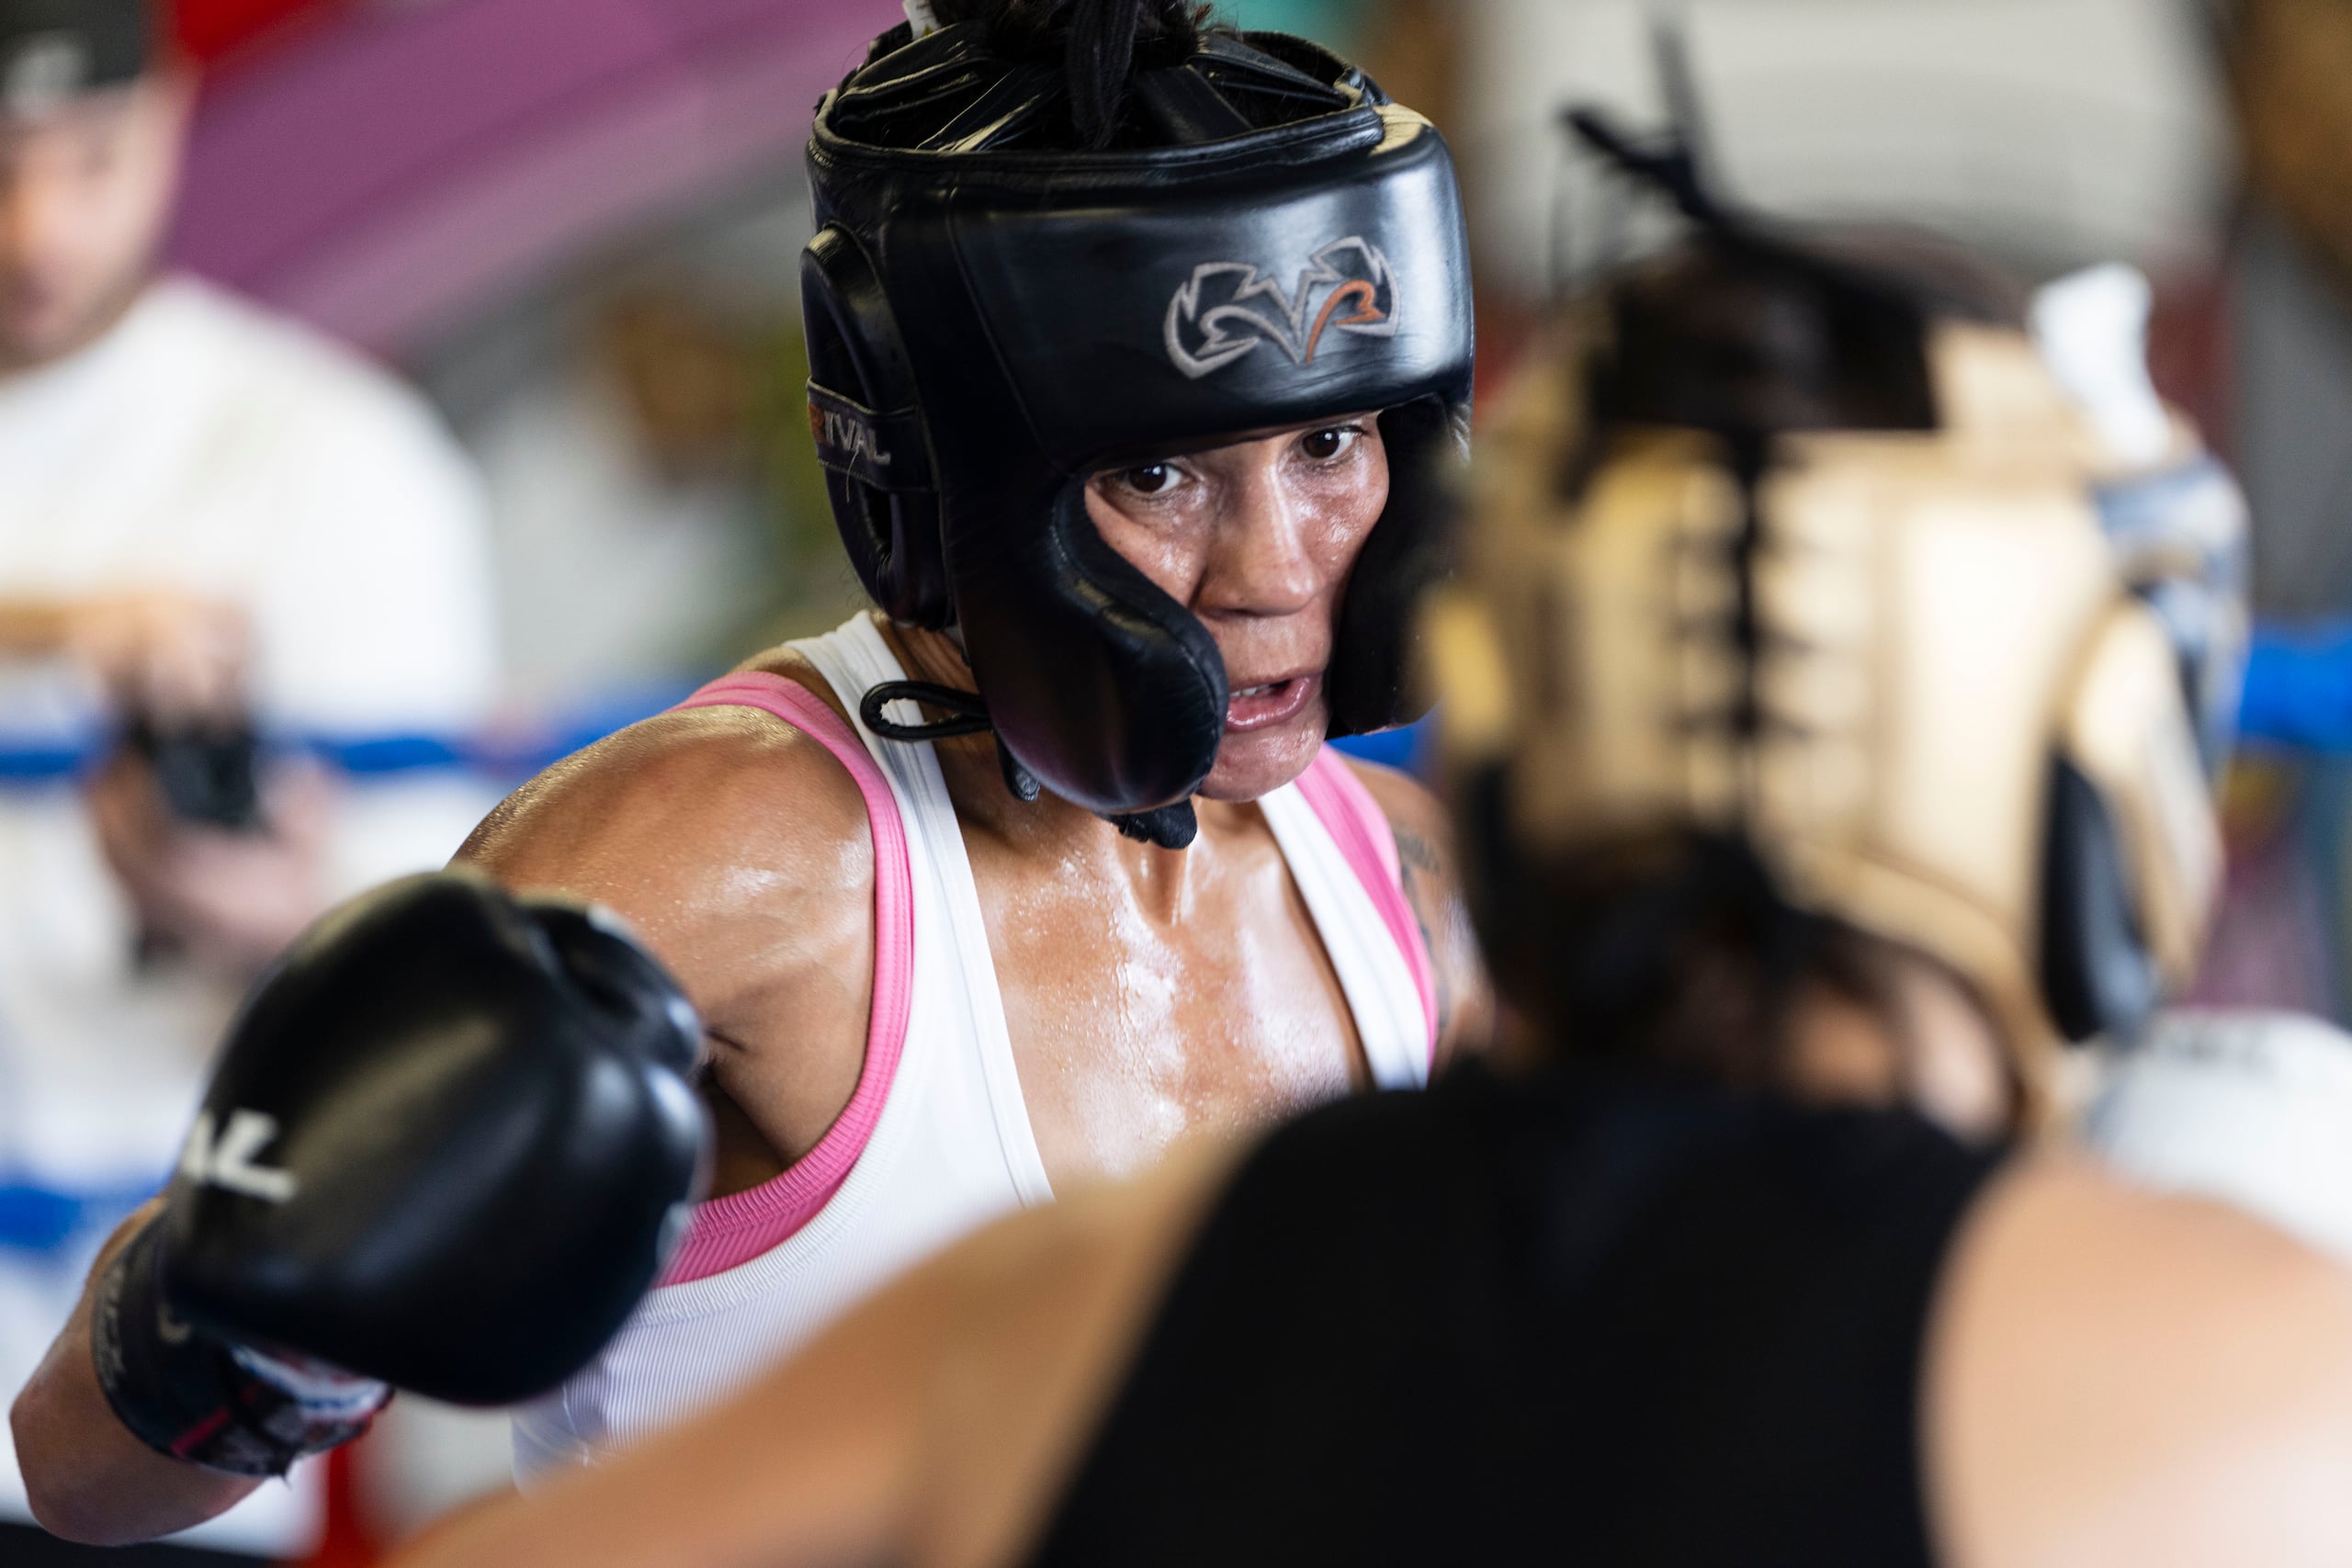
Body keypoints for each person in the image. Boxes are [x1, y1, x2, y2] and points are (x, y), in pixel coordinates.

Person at [370, 207, 2352, 1568]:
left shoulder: (1109, 1284)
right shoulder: (2225, 1346)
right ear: (2094, 764)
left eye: (1331, 449)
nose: (1264, 559)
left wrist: (234, 1336)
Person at [10, 0, 1488, 1540]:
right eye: (1159, 473)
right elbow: (82, 1475)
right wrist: (261, 1297)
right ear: (929, 478)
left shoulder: (1408, 896)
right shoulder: (711, 861)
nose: (1276, 572)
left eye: (1329, 447)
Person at [0, 0, 498, 1556]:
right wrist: (68, 629)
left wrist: (253, 902)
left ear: (162, 117)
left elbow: (429, 964)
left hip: (141, 1396)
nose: (35, 226)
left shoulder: (333, 456)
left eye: (85, 157)